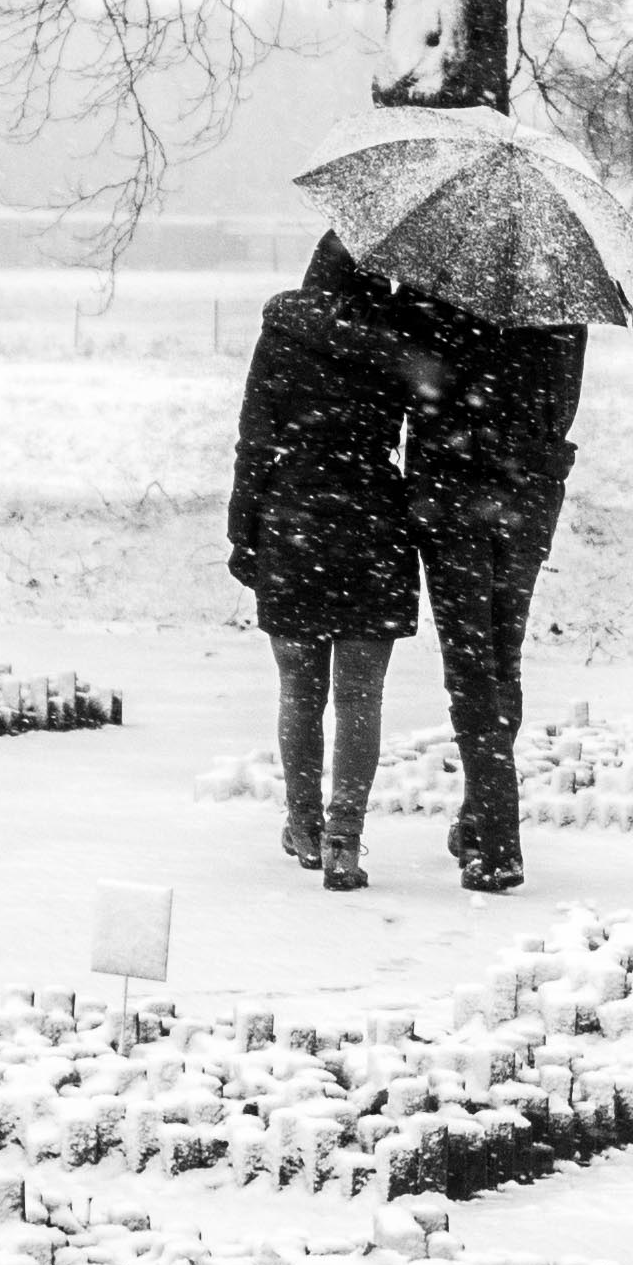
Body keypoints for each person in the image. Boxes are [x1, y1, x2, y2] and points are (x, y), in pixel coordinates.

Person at [224, 236, 432, 889]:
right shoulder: (399, 339)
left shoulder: (283, 332)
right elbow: (426, 431)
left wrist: (243, 532)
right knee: (360, 696)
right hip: (372, 522)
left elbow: (255, 439)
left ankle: (304, 826)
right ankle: (344, 841)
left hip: (295, 521)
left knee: (299, 691)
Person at [400, 284, 589, 892]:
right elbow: (561, 406)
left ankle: (499, 839)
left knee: (472, 667)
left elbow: (418, 393)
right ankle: (481, 819)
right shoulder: (562, 293)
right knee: (501, 659)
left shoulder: (438, 291)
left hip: (454, 494)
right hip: (528, 495)